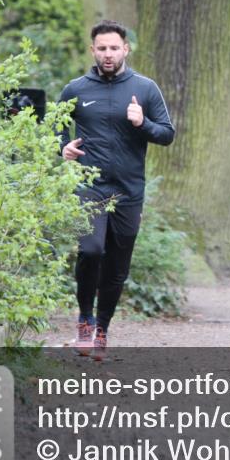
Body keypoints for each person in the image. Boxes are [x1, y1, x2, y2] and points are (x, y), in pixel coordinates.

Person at [58, 20, 175, 360]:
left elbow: (167, 134)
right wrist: (62, 149)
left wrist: (143, 123)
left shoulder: (145, 88)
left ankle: (102, 329)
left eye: (114, 48)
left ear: (126, 49)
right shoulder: (75, 89)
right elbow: (53, 130)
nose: (108, 54)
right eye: (101, 48)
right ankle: (84, 319)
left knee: (117, 266)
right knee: (91, 250)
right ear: (92, 50)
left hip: (128, 190)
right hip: (89, 187)